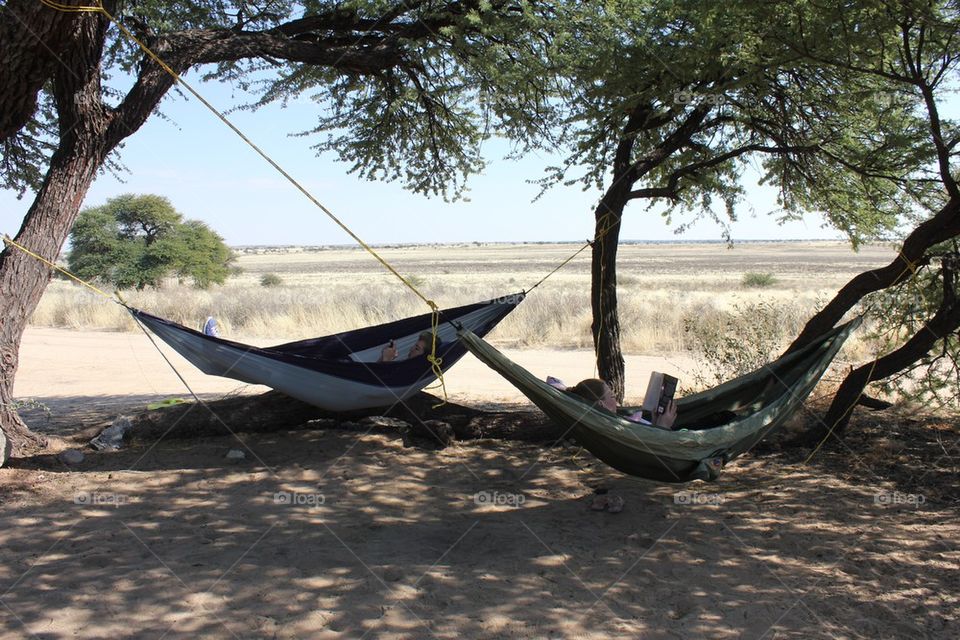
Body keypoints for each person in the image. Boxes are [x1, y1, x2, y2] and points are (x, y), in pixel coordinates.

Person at [566, 378, 678, 429]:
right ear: (601, 404)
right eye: (612, 396)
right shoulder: (615, 429)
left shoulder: (609, 423)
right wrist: (663, 427)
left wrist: (655, 423)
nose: (616, 401)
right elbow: (652, 449)